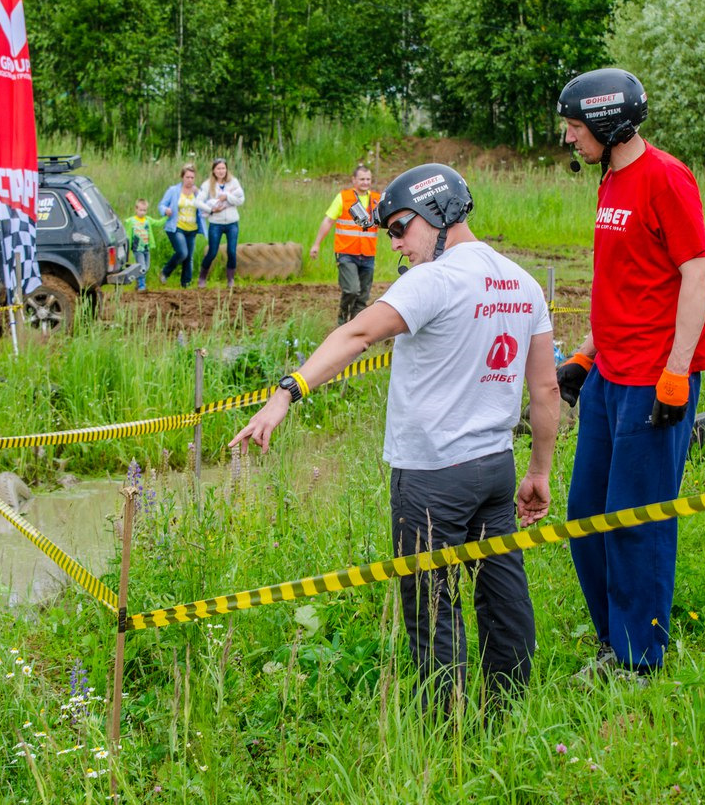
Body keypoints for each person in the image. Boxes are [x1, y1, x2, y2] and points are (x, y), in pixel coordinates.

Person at [231, 163, 560, 715]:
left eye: (402, 227)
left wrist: (286, 392)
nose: (397, 243)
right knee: (503, 594)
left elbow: (358, 332)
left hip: (432, 477)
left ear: (439, 212)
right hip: (495, 468)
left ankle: (445, 726)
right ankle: (510, 712)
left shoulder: (433, 280)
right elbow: (546, 389)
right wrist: (539, 470)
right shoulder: (521, 282)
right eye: (388, 234)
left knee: (433, 608)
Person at [554, 68, 705, 681]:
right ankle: (612, 637)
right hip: (610, 374)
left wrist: (677, 373)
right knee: (586, 516)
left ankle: (638, 658)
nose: (570, 139)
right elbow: (625, 282)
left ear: (604, 120)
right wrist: (586, 354)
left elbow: (695, 276)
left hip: (655, 376)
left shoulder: (666, 178)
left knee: (635, 518)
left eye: (574, 127)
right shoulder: (610, 180)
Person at [310, 164, 382, 325]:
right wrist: (316, 244)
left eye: (368, 179)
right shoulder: (343, 197)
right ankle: (342, 322)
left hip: (368, 254)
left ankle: (354, 328)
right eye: (362, 179)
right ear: (354, 180)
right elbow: (329, 220)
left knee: (362, 296)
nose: (365, 182)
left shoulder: (377, 199)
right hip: (347, 253)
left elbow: (386, 223)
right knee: (351, 290)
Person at [197, 158, 245, 288]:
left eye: (223, 168)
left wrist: (227, 197)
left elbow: (241, 199)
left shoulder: (233, 182)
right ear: (213, 170)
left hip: (232, 222)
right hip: (216, 223)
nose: (221, 171)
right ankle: (202, 278)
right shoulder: (207, 184)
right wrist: (211, 209)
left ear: (226, 169)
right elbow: (198, 201)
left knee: (231, 251)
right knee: (212, 251)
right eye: (218, 168)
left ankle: (230, 280)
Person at [158, 164, 204, 288]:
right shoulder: (173, 190)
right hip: (177, 227)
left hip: (192, 228)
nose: (190, 180)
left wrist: (199, 193)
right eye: (187, 177)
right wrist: (165, 210)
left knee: (189, 257)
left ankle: (186, 283)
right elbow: (161, 205)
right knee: (182, 253)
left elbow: (206, 205)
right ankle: (165, 272)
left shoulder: (197, 192)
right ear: (182, 177)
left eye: (192, 177)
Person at [127, 198, 163, 291]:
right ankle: (142, 286)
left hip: (146, 248)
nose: (142, 212)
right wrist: (128, 247)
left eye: (144, 210)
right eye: (140, 210)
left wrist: (167, 217)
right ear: (136, 209)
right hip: (137, 248)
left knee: (146, 267)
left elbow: (158, 223)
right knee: (142, 266)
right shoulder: (131, 221)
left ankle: (138, 282)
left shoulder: (148, 220)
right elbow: (128, 234)